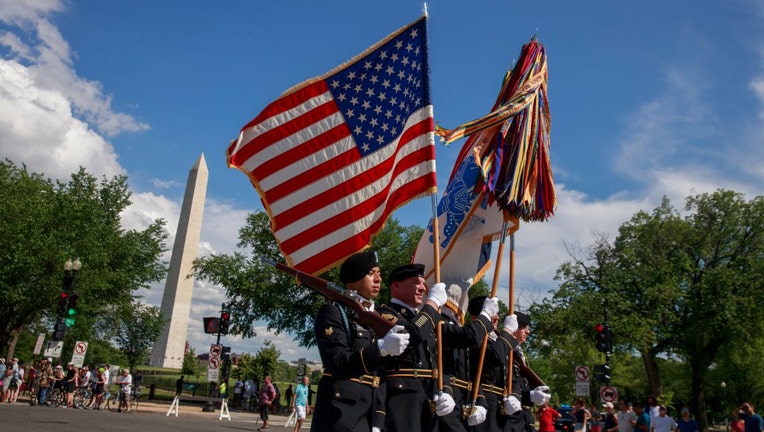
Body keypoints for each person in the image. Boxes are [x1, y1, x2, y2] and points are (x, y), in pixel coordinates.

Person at [311, 251, 409, 432]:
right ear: (352, 282)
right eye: (371, 273)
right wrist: (380, 349)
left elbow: (380, 377)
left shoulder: (379, 318)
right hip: (340, 414)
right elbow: (337, 361)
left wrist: (378, 418)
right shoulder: (334, 311)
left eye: (379, 273)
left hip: (371, 414)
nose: (378, 279)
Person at [376, 263, 452, 432]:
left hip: (429, 398)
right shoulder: (384, 314)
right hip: (402, 402)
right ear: (396, 286)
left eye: (423, 284)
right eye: (415, 283)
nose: (422, 289)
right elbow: (411, 334)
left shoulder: (426, 319)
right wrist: (432, 304)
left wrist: (446, 390)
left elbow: (437, 360)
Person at [436, 283, 497, 432]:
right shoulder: (438, 324)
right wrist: (487, 316)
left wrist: (481, 401)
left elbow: (472, 374)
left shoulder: (459, 329)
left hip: (464, 403)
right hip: (444, 401)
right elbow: (473, 337)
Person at [504, 311, 551, 432]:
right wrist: (529, 396)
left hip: (524, 417)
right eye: (524, 327)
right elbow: (504, 386)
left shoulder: (518, 353)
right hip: (510, 418)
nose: (528, 332)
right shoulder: (504, 351)